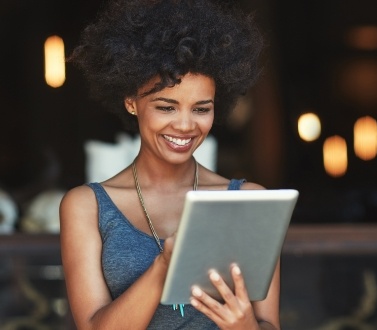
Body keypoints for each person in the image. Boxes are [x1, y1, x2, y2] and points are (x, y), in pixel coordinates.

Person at [59, 0, 279, 328]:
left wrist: (245, 325)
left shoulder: (248, 202)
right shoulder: (87, 206)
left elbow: (268, 324)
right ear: (132, 103)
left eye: (201, 109)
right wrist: (164, 266)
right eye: (166, 107)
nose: (186, 126)